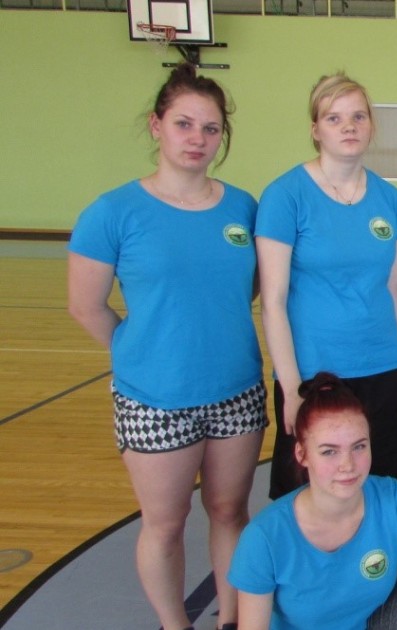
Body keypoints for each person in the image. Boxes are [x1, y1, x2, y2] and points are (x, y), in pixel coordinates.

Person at [67, 63, 265, 630]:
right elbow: (85, 305)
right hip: (154, 399)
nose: (197, 138)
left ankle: (232, 620)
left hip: (237, 391)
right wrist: (143, 351)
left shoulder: (243, 209)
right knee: (166, 524)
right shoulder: (112, 213)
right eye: (184, 124)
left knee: (229, 511)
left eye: (210, 128)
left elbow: (251, 287)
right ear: (157, 126)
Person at [228, 372, 397, 630]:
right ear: (302, 455)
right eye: (329, 451)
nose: (347, 465)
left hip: (372, 623)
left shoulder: (391, 497)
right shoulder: (265, 537)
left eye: (358, 446)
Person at [257, 73, 397, 499]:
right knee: (311, 496)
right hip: (315, 373)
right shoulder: (285, 196)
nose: (348, 126)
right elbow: (272, 302)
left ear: (371, 126)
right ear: (316, 130)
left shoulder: (390, 200)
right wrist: (292, 389)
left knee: (379, 491)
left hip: (381, 368)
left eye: (358, 117)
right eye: (334, 118)